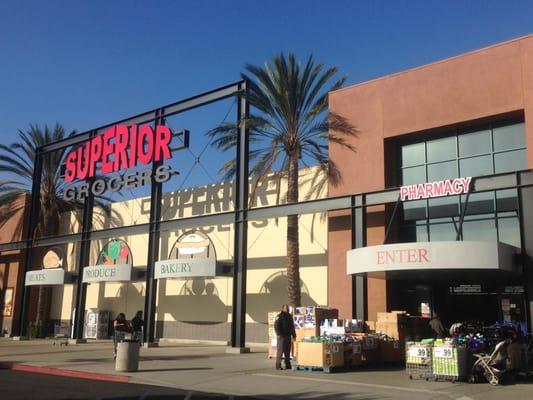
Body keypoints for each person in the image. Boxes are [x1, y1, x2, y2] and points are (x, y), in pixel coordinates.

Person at [274, 304, 296, 370]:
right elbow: (276, 326)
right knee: (280, 351)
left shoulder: (289, 316)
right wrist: (278, 334)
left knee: (287, 351)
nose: (288, 309)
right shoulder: (279, 316)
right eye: (286, 308)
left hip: (288, 336)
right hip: (281, 336)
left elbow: (292, 326)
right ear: (283, 308)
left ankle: (288, 365)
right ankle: (278, 365)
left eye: (288, 308)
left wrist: (294, 335)